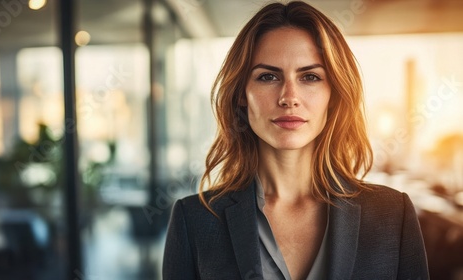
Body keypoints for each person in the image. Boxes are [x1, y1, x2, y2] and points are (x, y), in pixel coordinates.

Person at [163, 1, 429, 279]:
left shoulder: (393, 216)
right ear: (242, 94)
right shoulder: (194, 220)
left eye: (310, 77)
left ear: (334, 93)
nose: (289, 97)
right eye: (267, 76)